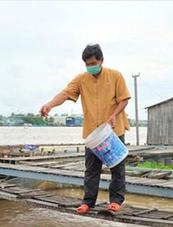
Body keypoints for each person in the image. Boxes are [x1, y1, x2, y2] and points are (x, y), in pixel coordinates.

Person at [40, 44, 131, 214]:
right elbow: (65, 94)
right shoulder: (81, 79)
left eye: (93, 63)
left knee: (117, 167)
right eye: (87, 64)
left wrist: (114, 115)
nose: (91, 66)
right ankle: (88, 202)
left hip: (112, 130)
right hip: (93, 133)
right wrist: (49, 105)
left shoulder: (115, 76)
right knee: (91, 169)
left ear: (101, 60)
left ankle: (116, 200)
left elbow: (124, 99)